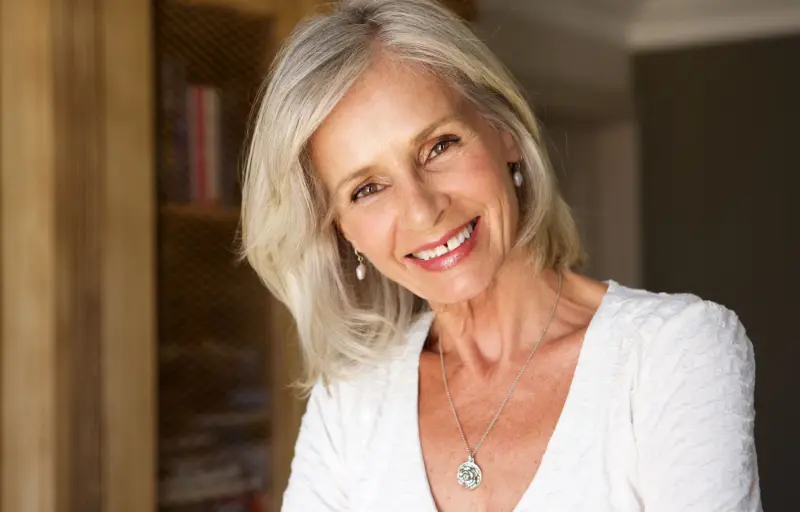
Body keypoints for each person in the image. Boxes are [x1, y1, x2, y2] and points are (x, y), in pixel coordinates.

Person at [240, 0, 761, 510]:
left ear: (505, 133)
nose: (422, 210)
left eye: (439, 146)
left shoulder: (674, 351)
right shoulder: (350, 399)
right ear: (341, 229)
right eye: (367, 189)